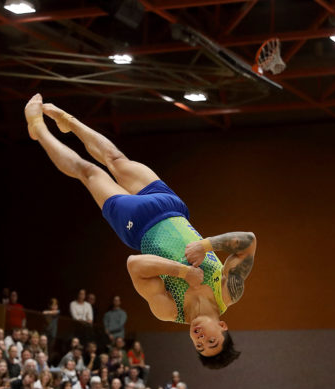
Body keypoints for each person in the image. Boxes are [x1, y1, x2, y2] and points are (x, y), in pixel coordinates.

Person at [26, 94, 257, 368]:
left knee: (88, 172)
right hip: (172, 207)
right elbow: (248, 242)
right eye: (211, 341)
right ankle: (70, 123)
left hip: (137, 225)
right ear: (222, 326)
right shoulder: (227, 291)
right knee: (115, 157)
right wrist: (206, 246)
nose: (201, 339)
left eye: (199, 346)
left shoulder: (169, 310)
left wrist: (183, 272)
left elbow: (134, 264)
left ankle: (38, 129)